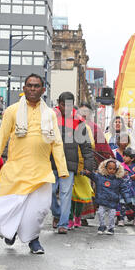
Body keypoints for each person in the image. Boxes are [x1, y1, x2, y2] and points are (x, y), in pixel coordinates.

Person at [0, 74, 68, 254]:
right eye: (29, 86)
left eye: (36, 86)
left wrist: (62, 169)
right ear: (24, 88)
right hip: (16, 169)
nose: (33, 89)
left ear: (43, 90)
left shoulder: (49, 114)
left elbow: (56, 142)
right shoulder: (12, 110)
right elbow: (1, 138)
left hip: (41, 170)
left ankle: (33, 239)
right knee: (11, 205)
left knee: (38, 210)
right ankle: (13, 232)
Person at [51, 92, 94, 234]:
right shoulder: (50, 116)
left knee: (66, 193)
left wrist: (88, 165)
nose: (66, 108)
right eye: (64, 105)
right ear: (59, 103)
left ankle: (63, 223)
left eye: (69, 105)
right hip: (51, 162)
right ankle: (57, 214)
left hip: (69, 163)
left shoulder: (78, 120)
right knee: (49, 193)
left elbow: (86, 145)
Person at [82, 159, 129, 235]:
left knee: (111, 216)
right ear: (105, 168)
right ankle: (102, 226)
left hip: (112, 203)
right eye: (110, 168)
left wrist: (127, 199)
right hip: (102, 201)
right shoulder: (100, 177)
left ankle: (111, 228)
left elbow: (124, 189)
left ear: (117, 170)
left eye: (114, 169)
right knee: (100, 214)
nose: (112, 171)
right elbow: (93, 175)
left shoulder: (119, 180)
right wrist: (87, 173)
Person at [119, 148, 135, 226]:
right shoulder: (121, 166)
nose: (124, 157)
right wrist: (121, 175)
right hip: (124, 189)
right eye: (124, 155)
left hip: (134, 189)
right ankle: (121, 219)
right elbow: (117, 174)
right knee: (123, 205)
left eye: (126, 156)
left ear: (132, 158)